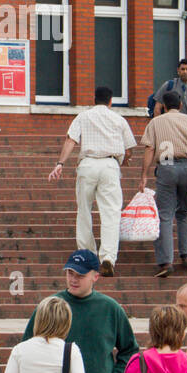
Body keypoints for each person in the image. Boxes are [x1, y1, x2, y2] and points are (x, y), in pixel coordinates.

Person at [48, 85, 136, 277]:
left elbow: (71, 140)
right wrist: (126, 159)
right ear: (111, 101)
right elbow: (129, 149)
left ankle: (88, 254)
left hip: (87, 164)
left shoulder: (83, 116)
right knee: (111, 213)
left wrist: (60, 163)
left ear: (94, 99)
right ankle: (108, 258)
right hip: (110, 165)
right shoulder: (119, 119)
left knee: (84, 210)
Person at [139, 90, 187, 278]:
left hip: (166, 166)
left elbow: (150, 148)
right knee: (184, 211)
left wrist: (144, 175)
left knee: (165, 214)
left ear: (164, 106)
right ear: (180, 105)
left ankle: (165, 261)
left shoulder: (156, 122)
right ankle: (186, 255)